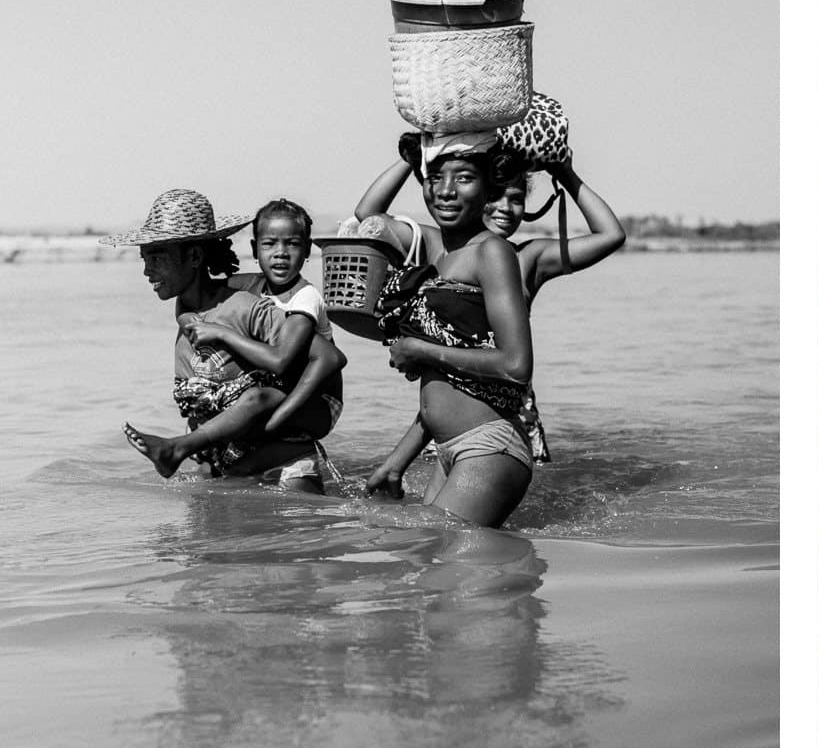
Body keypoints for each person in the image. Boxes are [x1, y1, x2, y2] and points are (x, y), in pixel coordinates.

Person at [354, 124, 625, 432]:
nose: (505, 209)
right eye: (496, 196)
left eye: (517, 199)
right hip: (443, 412)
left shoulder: (528, 259)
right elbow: (369, 214)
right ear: (480, 191)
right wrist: (417, 156)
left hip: (504, 413)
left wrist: (563, 173)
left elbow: (611, 235)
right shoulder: (437, 248)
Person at [106, 189, 345, 492]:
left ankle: (177, 449)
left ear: (194, 256)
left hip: (287, 448)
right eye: (145, 259)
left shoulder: (251, 304)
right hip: (235, 462)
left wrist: (278, 418)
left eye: (156, 258)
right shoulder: (193, 321)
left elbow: (325, 358)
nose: (146, 270)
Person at [359, 132, 538, 528]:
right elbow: (369, 216)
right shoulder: (436, 250)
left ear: (490, 186)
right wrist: (397, 460)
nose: (445, 191)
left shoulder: (492, 252)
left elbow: (515, 364)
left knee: (454, 570)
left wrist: (421, 351)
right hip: (447, 449)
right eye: (435, 177)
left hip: (488, 447)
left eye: (464, 178)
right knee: (433, 575)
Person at [226, 198, 346, 442]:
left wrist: (277, 419)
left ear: (307, 249)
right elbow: (211, 291)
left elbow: (281, 361)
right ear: (254, 249)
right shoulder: (253, 285)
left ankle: (288, 440)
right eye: (269, 244)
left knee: (250, 425)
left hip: (318, 401)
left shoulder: (305, 298)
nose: (280, 253)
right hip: (281, 390)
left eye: (292, 244)